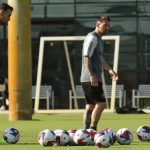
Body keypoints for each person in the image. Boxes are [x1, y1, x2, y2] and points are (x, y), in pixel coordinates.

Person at [80, 16, 118, 131]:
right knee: (101, 104)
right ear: (97, 24)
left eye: (108, 26)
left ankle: (85, 132)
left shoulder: (99, 40)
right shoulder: (92, 38)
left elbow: (99, 57)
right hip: (90, 77)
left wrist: (109, 70)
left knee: (91, 105)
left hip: (91, 77)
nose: (107, 28)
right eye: (105, 25)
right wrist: (92, 74)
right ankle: (92, 130)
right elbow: (86, 56)